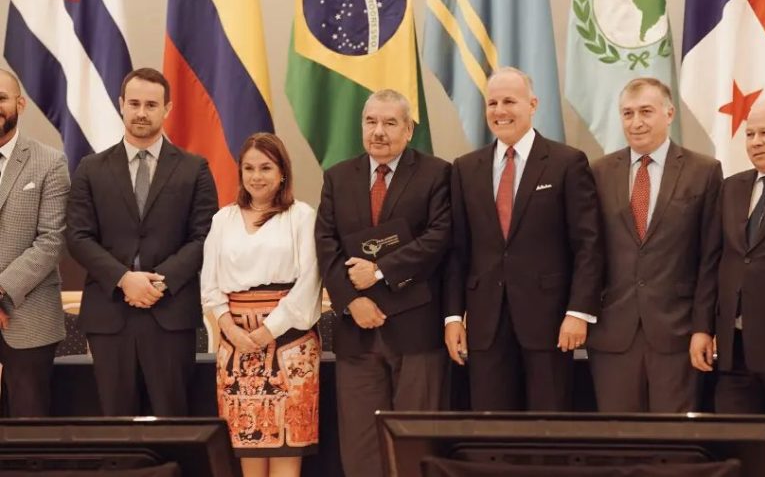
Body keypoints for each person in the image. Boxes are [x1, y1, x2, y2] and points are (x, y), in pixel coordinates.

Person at [444, 67, 603, 411]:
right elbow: (457, 252)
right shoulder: (465, 168)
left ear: (533, 104)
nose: (499, 111)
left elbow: (588, 246)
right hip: (485, 325)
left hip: (549, 323)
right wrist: (453, 316)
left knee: (547, 427)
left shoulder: (567, 163)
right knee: (491, 426)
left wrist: (579, 311)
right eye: (492, 103)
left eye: (509, 101)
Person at [66, 67, 218, 416]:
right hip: (110, 315)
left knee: (172, 421)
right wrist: (124, 279)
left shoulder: (194, 168)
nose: (141, 113)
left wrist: (159, 282)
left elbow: (205, 236)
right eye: (134, 103)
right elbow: (77, 236)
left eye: (151, 105)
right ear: (121, 104)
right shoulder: (90, 168)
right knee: (117, 423)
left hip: (170, 313)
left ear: (167, 109)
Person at [315, 89, 450, 477]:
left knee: (414, 442)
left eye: (390, 123)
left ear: (408, 130)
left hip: (416, 331)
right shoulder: (338, 177)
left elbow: (439, 237)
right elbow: (325, 244)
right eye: (371, 121)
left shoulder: (436, 173)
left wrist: (378, 271)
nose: (378, 131)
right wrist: (350, 300)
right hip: (356, 332)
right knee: (361, 446)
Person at [587, 77, 722, 412]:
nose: (636, 122)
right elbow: (587, 251)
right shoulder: (598, 172)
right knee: (619, 436)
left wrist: (703, 327)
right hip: (613, 333)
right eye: (627, 113)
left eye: (646, 111)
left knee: (674, 437)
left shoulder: (703, 171)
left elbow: (710, 259)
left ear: (669, 113)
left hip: (678, 333)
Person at [201, 132, 322, 477]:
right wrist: (230, 328)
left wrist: (269, 330)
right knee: (247, 451)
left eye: (266, 167)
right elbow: (209, 285)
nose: (257, 176)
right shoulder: (223, 219)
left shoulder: (301, 216)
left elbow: (310, 283)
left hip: (290, 346)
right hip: (235, 347)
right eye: (249, 168)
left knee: (286, 452)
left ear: (282, 172)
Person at [0, 69, 70, 416]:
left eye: (1, 98)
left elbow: (51, 241)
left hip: (28, 318)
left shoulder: (50, 161)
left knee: (28, 426)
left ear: (20, 104)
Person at [698, 100, 765, 413]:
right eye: (750, 134)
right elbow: (712, 262)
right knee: (733, 438)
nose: (756, 142)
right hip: (734, 350)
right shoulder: (731, 187)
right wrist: (702, 328)